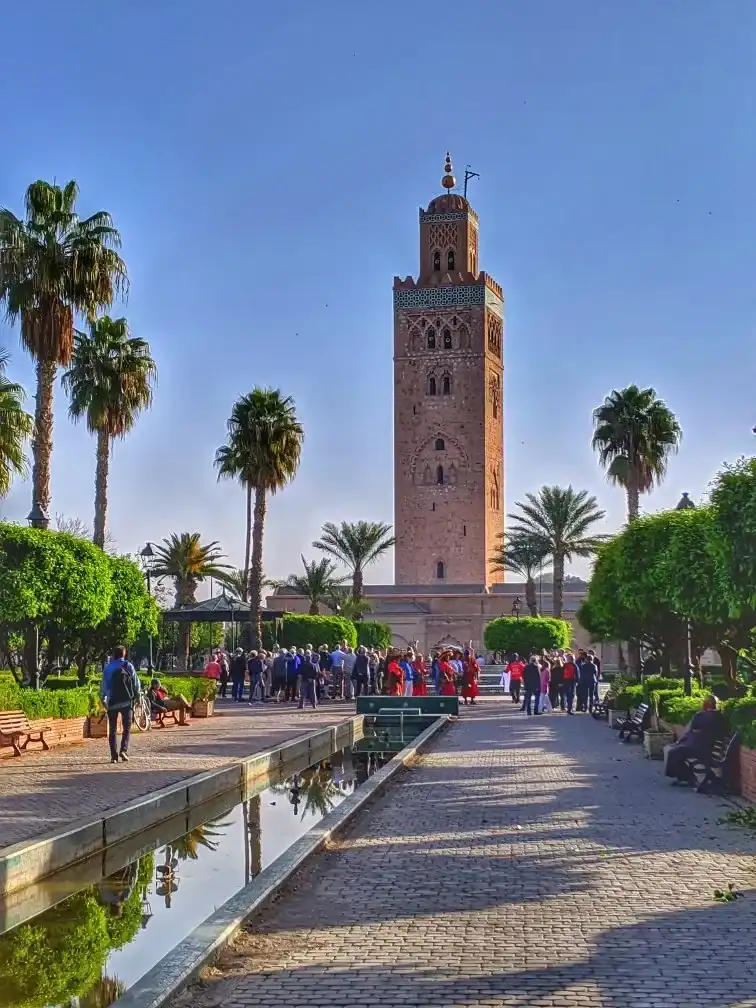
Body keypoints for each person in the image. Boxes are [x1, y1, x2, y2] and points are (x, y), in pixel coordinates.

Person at [665, 696, 728, 786]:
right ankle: (686, 777)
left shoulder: (704, 716)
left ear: (706, 705)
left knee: (674, 752)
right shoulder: (718, 716)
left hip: (701, 748)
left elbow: (694, 725)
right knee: (676, 751)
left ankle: (687, 778)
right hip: (707, 747)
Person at [100, 645, 141, 764]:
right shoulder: (128, 666)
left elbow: (103, 686)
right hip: (127, 701)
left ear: (113, 654)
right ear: (124, 654)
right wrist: (137, 697)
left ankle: (113, 756)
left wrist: (103, 700)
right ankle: (124, 750)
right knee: (126, 728)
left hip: (112, 702)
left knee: (112, 730)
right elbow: (135, 683)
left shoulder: (108, 668)